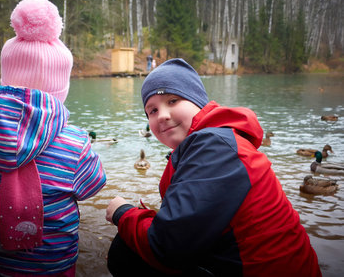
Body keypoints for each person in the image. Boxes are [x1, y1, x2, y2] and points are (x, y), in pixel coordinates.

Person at [105, 58, 321, 276]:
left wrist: (122, 213)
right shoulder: (215, 141)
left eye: (172, 101)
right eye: (152, 110)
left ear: (198, 103)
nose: (162, 115)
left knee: (126, 250)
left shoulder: (215, 147)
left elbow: (166, 246)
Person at [0, 0, 106, 276]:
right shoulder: (75, 143)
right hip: (53, 265)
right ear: (61, 87)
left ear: (5, 80)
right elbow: (92, 187)